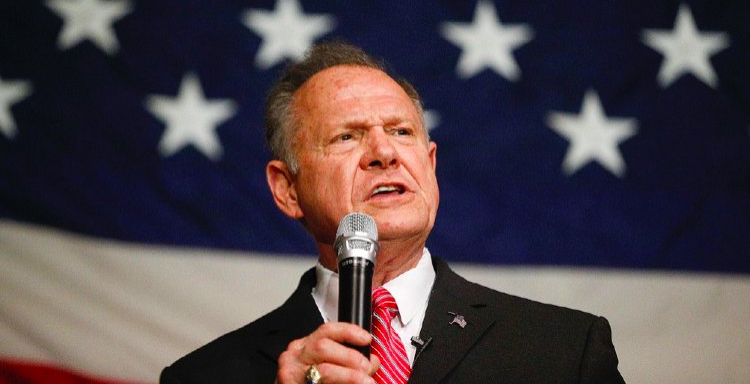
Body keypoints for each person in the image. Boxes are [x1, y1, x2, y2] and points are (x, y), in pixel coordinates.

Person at [160, 41, 625, 384]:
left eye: (402, 132)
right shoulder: (203, 377)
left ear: (431, 164)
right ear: (287, 190)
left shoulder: (564, 351)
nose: (384, 153)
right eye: (346, 136)